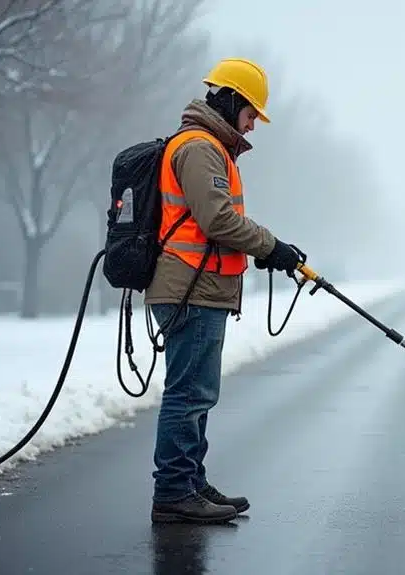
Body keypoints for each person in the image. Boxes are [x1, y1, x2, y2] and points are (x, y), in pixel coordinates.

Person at [145, 57, 304, 524]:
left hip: (201, 285)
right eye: (252, 113)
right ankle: (174, 491)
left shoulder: (212, 147)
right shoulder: (199, 148)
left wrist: (266, 248)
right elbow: (216, 219)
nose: (253, 124)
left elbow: (213, 222)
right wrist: (270, 245)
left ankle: (190, 481)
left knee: (198, 392)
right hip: (188, 286)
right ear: (232, 100)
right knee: (188, 394)